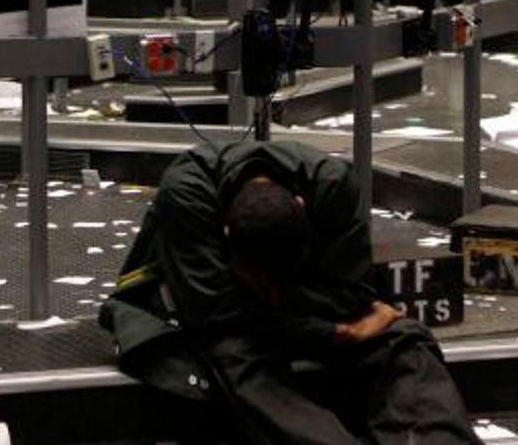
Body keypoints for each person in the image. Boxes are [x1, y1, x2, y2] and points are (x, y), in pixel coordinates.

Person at [100, 139, 479, 445]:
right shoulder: (188, 193)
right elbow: (213, 312)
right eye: (261, 281)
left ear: (302, 210)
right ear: (226, 234)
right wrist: (334, 331)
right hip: (226, 324)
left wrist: (276, 300)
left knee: (403, 339)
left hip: (278, 310)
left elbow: (350, 294)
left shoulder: (330, 185)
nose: (271, 290)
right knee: (233, 355)